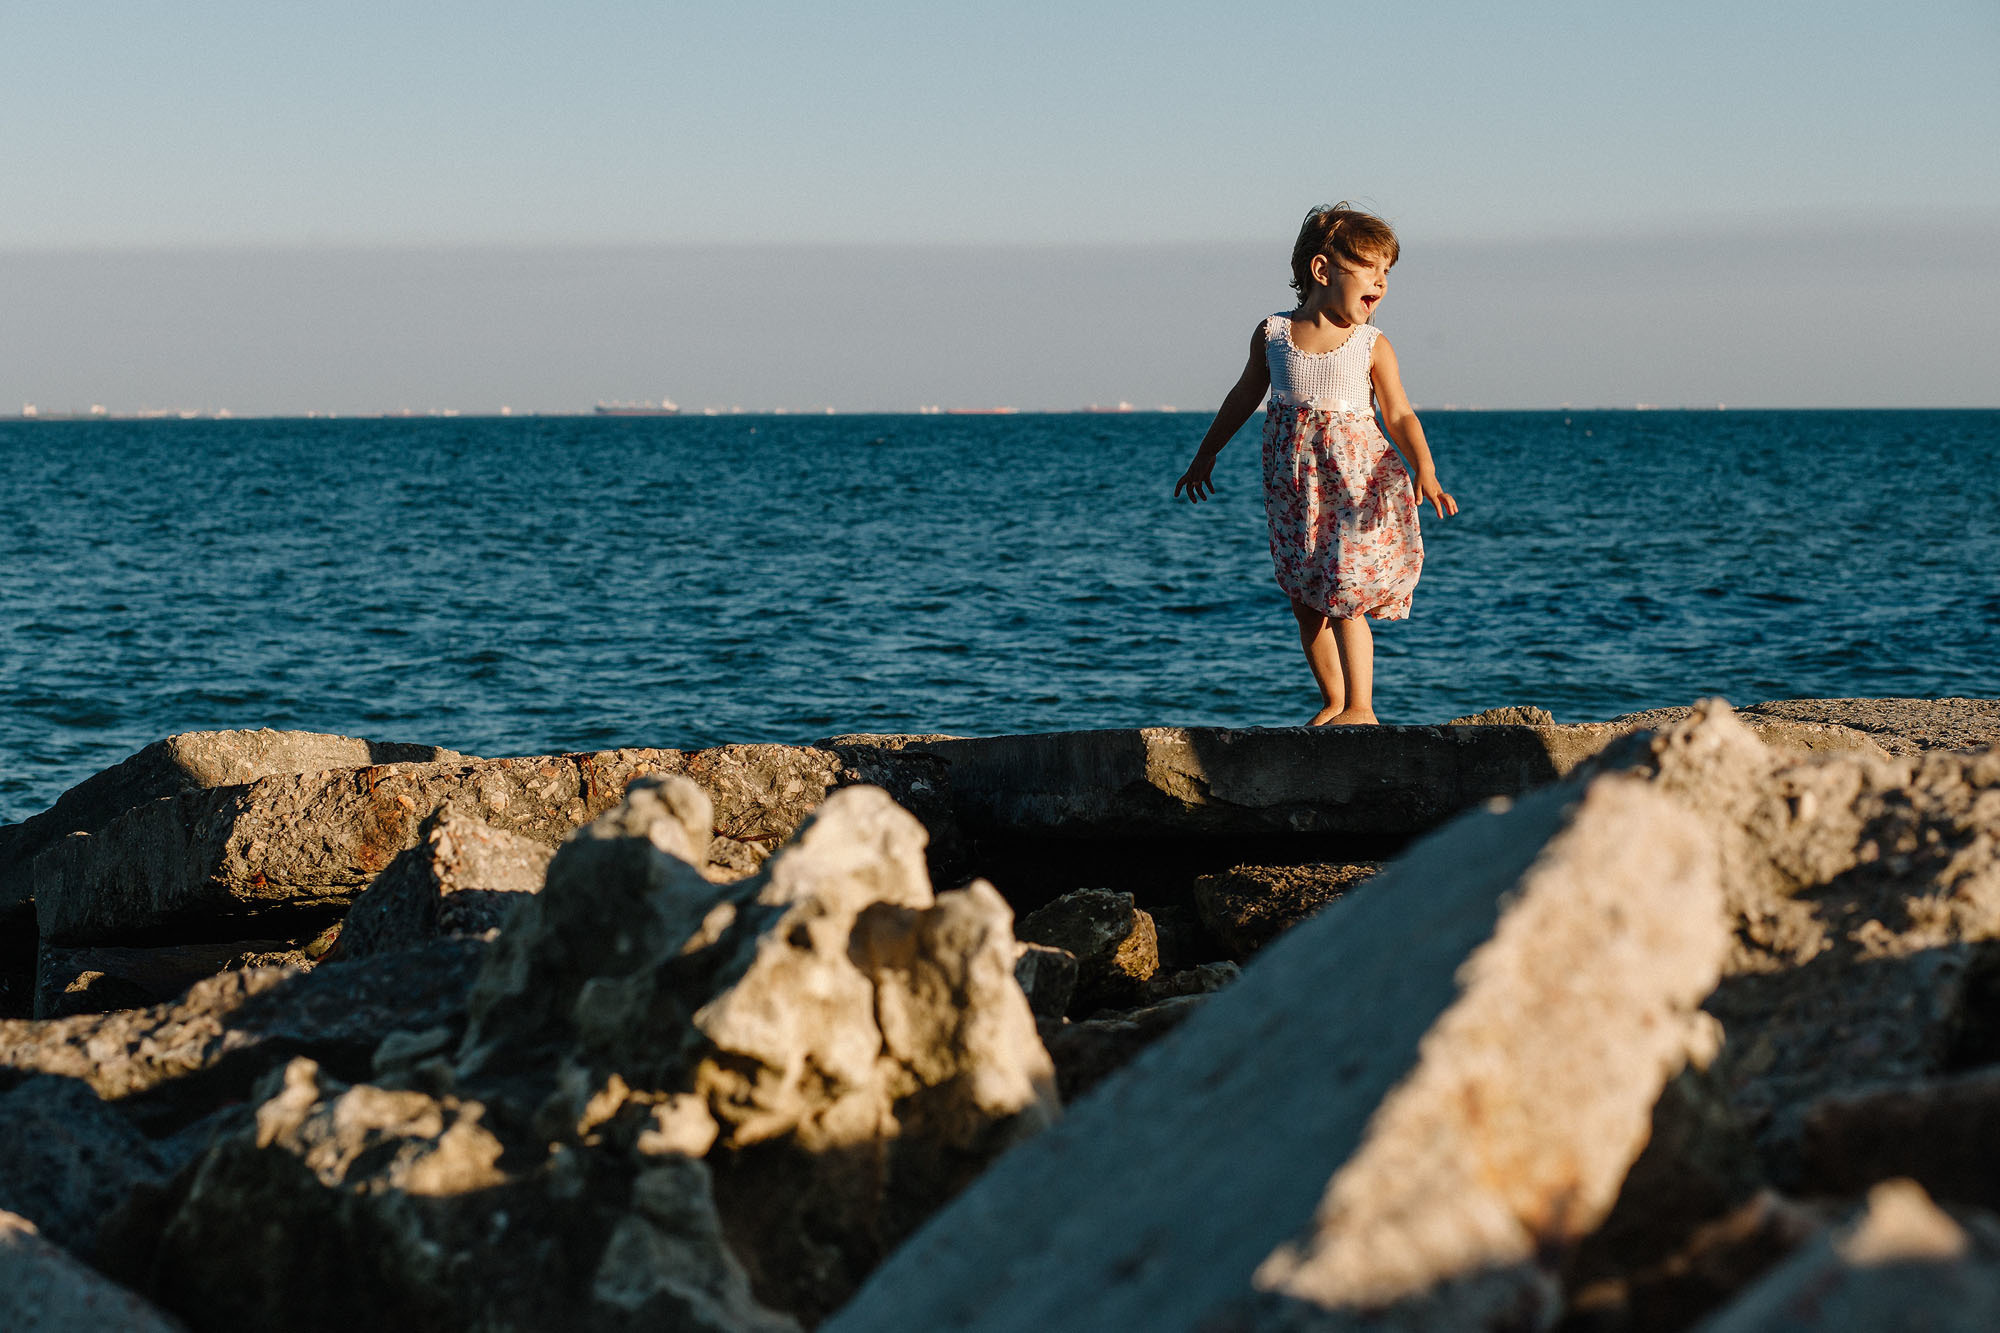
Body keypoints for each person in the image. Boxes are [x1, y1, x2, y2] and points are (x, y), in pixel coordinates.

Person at [1174, 202, 1457, 726]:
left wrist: (1426, 469)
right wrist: (1207, 451)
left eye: (1386, 273)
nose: (1381, 283)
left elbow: (1399, 414)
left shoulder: (1371, 345)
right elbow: (1243, 396)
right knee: (1305, 598)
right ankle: (1332, 700)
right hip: (1294, 490)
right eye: (1369, 270)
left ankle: (1361, 707)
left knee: (1345, 593)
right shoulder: (1273, 335)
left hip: (1353, 487)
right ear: (1322, 271)